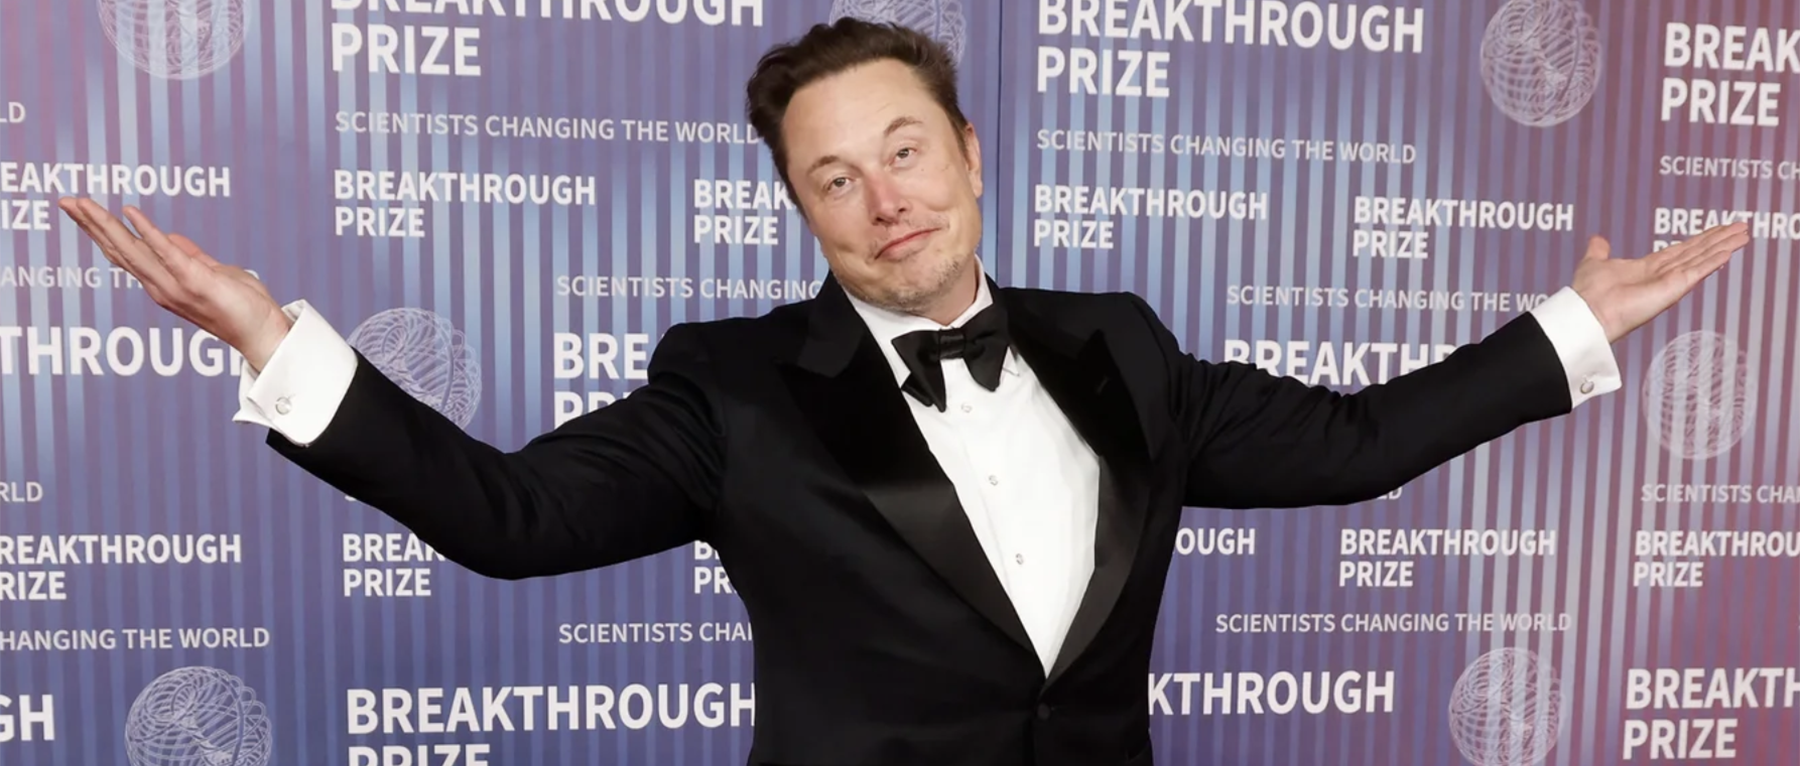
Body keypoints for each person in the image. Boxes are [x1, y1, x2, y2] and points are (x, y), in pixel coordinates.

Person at [59, 18, 1747, 766]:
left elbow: (1359, 444)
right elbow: (510, 517)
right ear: (799, 210)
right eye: (835, 177)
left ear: (971, 153)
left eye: (907, 150)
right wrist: (278, 340)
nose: (885, 199)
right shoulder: (729, 390)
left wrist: (1566, 328)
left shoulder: (1120, 348)